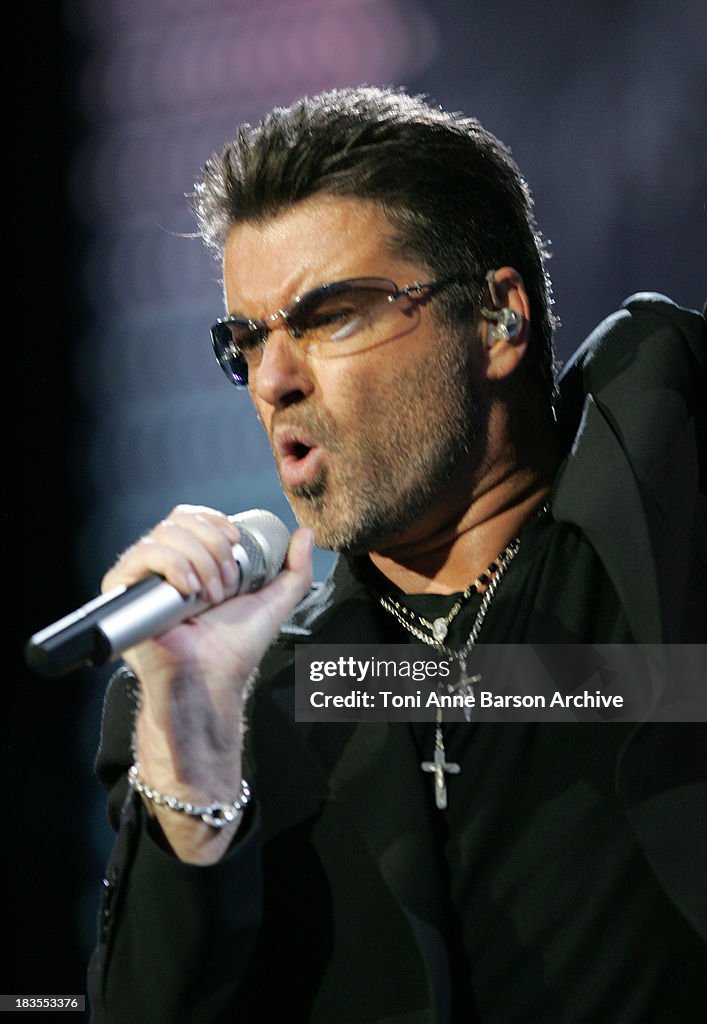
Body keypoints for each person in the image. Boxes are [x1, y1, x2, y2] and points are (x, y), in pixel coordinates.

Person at [87, 86, 706, 1022]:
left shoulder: (666, 482)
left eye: (330, 315)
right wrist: (192, 767)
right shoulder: (237, 695)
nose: (273, 380)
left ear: (499, 317)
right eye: (246, 340)